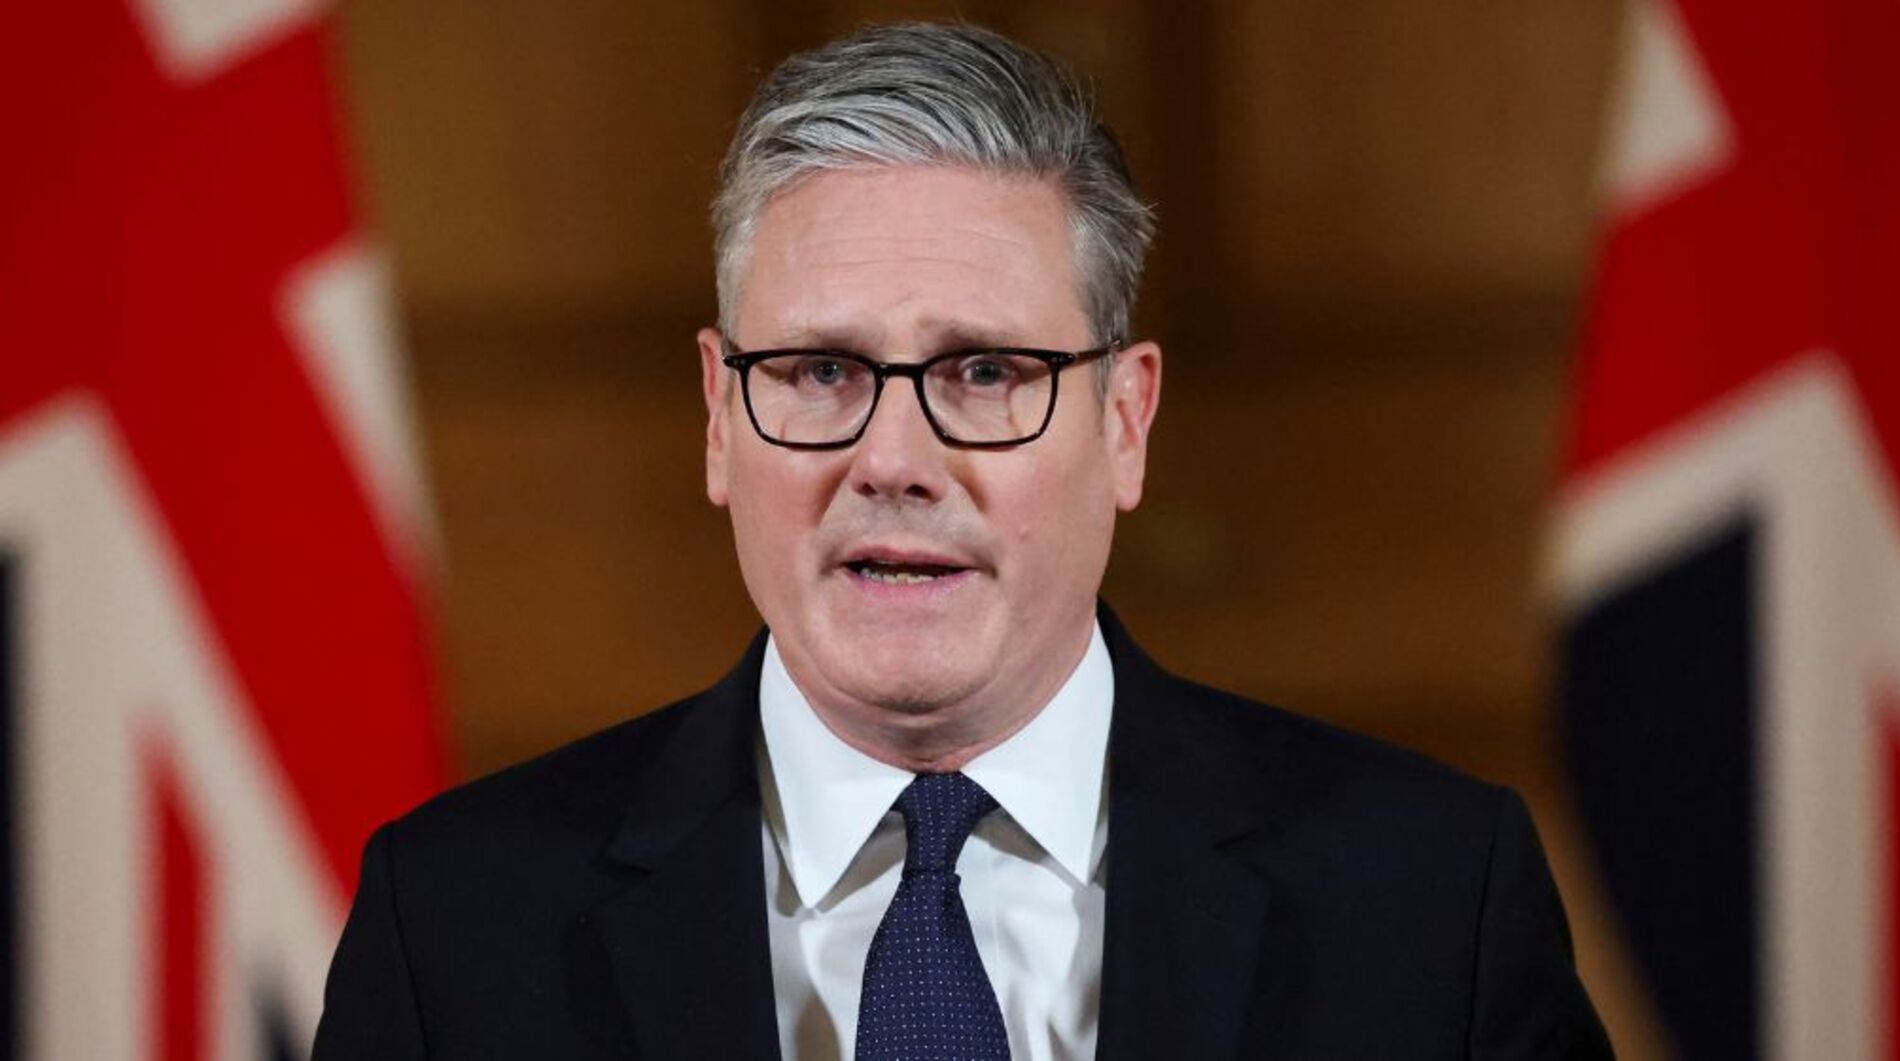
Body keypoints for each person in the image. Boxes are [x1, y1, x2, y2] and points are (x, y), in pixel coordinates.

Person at [313, 21, 1612, 1061]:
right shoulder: (456, 931)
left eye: (987, 371)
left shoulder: (1431, 905)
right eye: (820, 371)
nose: (892, 459)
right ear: (718, 416)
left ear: (1125, 421)